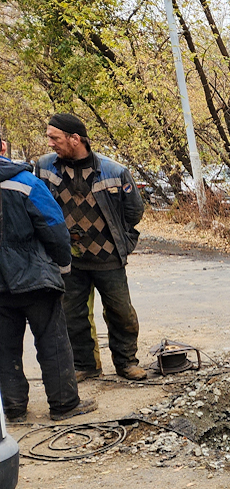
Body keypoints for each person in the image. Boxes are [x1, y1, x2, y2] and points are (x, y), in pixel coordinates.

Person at [35, 113, 147, 381]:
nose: (49, 143)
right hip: (68, 260)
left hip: (108, 258)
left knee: (121, 313)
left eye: (55, 137)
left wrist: (125, 241)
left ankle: (126, 362)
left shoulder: (115, 171)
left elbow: (134, 212)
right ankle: (85, 365)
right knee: (72, 315)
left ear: (75, 139)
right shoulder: (43, 168)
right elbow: (37, 208)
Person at [0, 134, 96, 421]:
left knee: (4, 347)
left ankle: (13, 409)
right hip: (34, 278)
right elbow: (54, 227)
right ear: (3, 147)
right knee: (52, 341)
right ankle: (64, 404)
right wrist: (62, 263)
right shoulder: (26, 183)